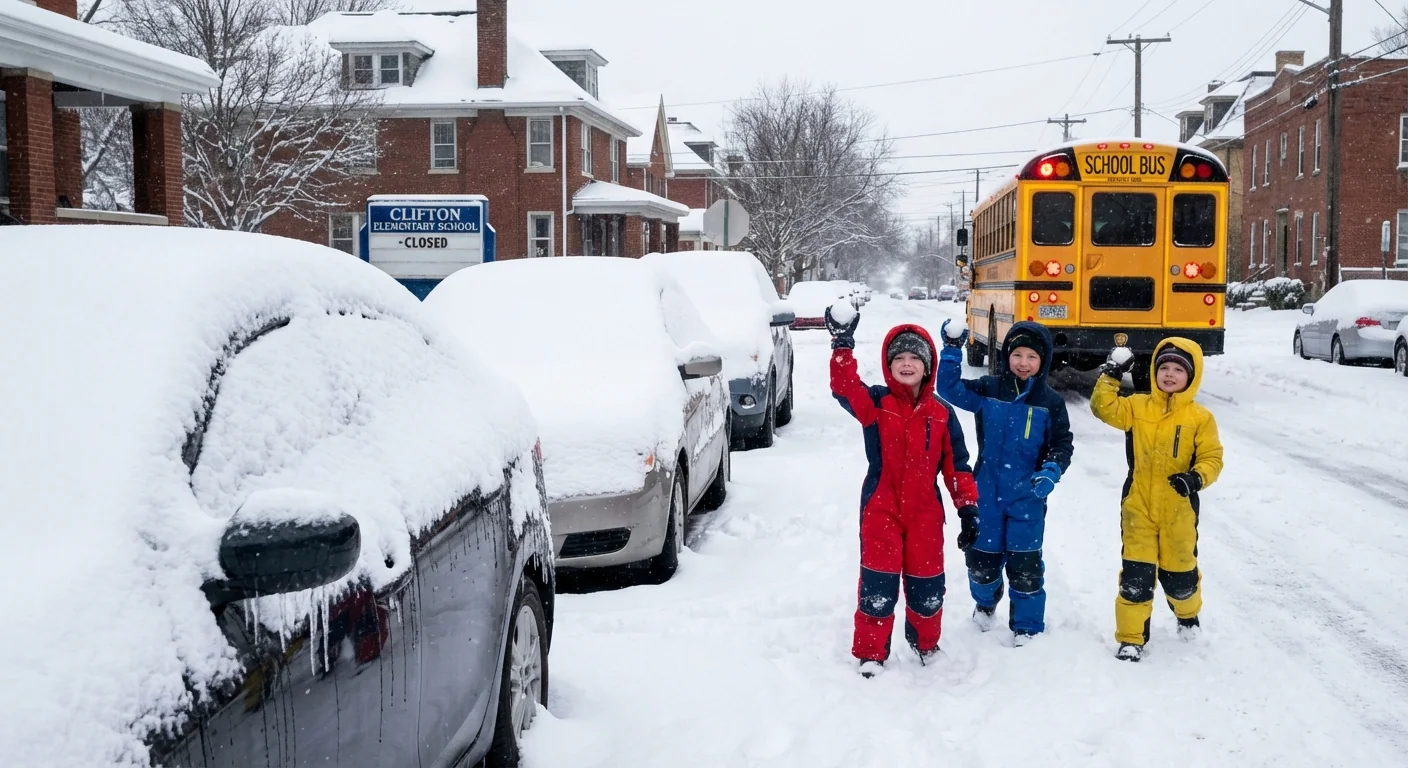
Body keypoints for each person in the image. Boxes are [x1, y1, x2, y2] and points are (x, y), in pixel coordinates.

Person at [825, 305, 979, 679]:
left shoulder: (941, 413)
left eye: (915, 357)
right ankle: (871, 652)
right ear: (889, 364)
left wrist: (967, 508)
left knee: (928, 585)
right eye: (900, 358)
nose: (907, 364)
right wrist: (842, 345)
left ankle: (926, 643)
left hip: (925, 511)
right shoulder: (876, 405)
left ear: (928, 365)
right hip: (881, 507)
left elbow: (957, 465)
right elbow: (845, 387)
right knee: (878, 583)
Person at [936, 320, 1073, 645]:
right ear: (1007, 356)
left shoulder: (1050, 401)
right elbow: (949, 390)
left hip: (1028, 496)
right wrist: (953, 350)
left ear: (1043, 361)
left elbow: (1062, 443)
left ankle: (1027, 626)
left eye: (1032, 357)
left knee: (1025, 567)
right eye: (1018, 354)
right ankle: (986, 601)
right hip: (987, 494)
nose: (1023, 362)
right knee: (981, 563)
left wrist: (1050, 471)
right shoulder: (989, 388)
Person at [1090, 339, 1223, 662]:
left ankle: (1187, 613)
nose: (1169, 374)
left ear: (1191, 377)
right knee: (1137, 576)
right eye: (1164, 367)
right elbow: (1102, 407)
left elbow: (1212, 457)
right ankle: (1131, 638)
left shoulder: (1200, 418)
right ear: (1154, 371)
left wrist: (1195, 478)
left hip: (1179, 510)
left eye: (1178, 369)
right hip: (1138, 506)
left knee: (1181, 578)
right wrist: (1111, 375)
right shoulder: (1136, 407)